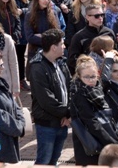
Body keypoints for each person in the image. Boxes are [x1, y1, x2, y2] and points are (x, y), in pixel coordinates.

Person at [29, 28, 71, 166]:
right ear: (53, 47)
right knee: (44, 161)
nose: (64, 46)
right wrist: (67, 112)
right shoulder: (37, 67)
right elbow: (46, 99)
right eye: (62, 44)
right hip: (47, 124)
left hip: (62, 121)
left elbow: (71, 87)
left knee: (54, 160)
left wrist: (68, 114)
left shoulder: (61, 62)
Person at [69, 55, 118, 165]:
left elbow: (105, 79)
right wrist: (111, 142)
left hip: (101, 139)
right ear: (79, 76)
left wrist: (108, 59)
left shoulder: (97, 88)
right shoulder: (79, 93)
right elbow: (91, 122)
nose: (91, 80)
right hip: (88, 144)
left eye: (93, 76)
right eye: (86, 77)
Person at [67, 3, 116, 74]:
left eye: (102, 15)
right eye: (96, 16)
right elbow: (72, 60)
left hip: (109, 71)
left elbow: (116, 52)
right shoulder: (79, 36)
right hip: (88, 75)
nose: (100, 18)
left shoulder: (109, 33)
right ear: (87, 17)